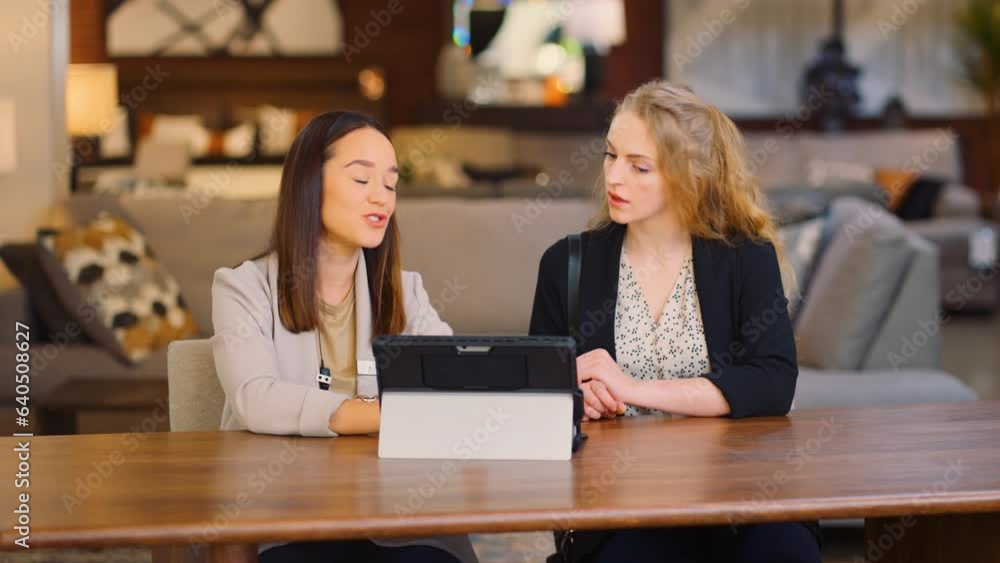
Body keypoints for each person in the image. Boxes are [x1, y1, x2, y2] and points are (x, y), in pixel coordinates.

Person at [529, 81, 821, 563]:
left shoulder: (746, 258)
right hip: (620, 501)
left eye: (639, 166)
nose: (614, 177)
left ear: (690, 177)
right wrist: (572, 393)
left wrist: (631, 389)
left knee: (785, 552)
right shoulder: (566, 263)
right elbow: (535, 398)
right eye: (610, 156)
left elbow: (772, 382)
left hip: (741, 491)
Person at [211, 111, 478, 563]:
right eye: (361, 179)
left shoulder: (405, 292)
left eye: (391, 184)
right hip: (288, 517)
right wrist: (388, 414)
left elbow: (454, 383)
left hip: (400, 517)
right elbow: (255, 397)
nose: (381, 197)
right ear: (308, 184)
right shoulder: (243, 287)